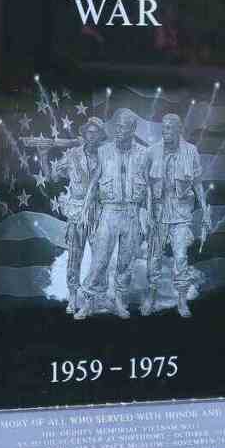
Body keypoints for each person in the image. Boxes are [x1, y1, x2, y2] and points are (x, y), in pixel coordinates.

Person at [75, 109, 149, 320]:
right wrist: (85, 210)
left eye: (123, 127)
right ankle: (89, 302)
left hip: (132, 213)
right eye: (116, 126)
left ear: (132, 129)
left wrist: (148, 216)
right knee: (99, 260)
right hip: (109, 212)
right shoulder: (104, 151)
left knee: (126, 261)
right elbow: (94, 183)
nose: (118, 130)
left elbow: (150, 188)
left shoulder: (143, 154)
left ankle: (118, 301)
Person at [141, 113, 210, 318]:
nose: (166, 132)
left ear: (179, 129)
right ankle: (151, 297)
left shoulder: (191, 151)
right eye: (163, 128)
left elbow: (197, 182)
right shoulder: (152, 152)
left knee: (180, 257)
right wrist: (146, 210)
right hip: (158, 212)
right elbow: (145, 184)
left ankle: (181, 300)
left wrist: (204, 209)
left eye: (170, 128)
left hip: (180, 212)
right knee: (154, 257)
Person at [37, 117, 105, 315]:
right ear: (84, 134)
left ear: (101, 136)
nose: (92, 136)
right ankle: (73, 296)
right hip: (77, 211)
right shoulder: (73, 155)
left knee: (99, 258)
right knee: (75, 256)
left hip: (99, 212)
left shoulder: (107, 156)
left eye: (96, 132)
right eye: (89, 132)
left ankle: (92, 298)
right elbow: (52, 177)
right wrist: (43, 156)